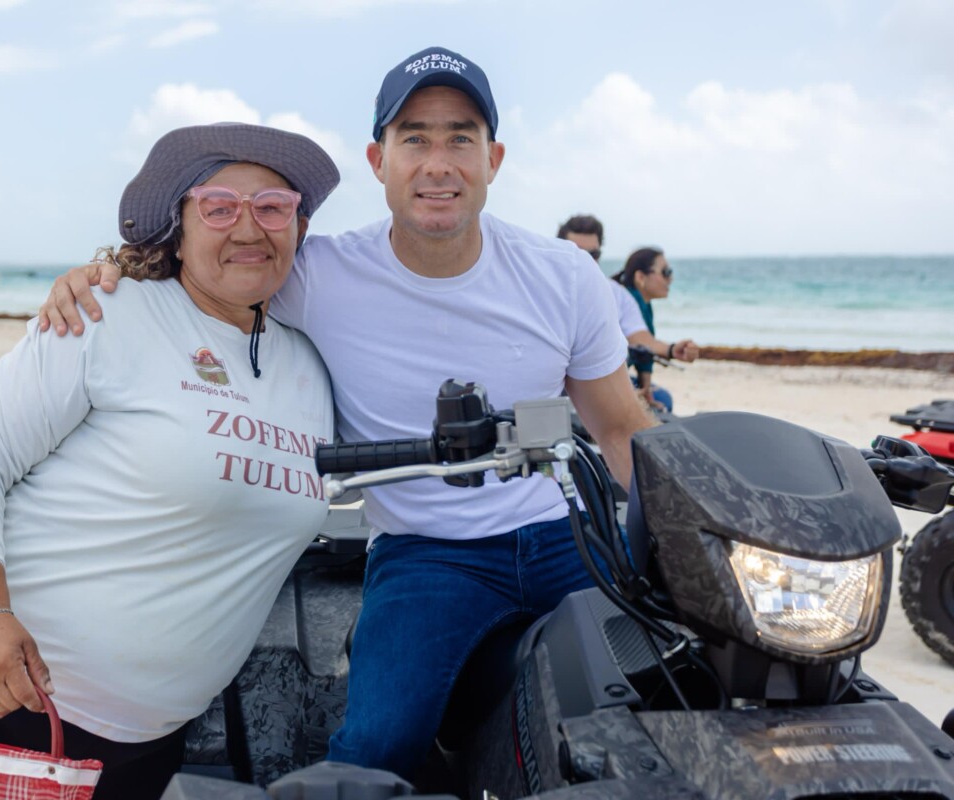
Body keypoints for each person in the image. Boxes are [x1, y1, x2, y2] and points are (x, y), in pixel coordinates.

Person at [38, 46, 654, 781]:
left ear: (493, 158)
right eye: (414, 138)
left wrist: (682, 533)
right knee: (375, 748)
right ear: (378, 159)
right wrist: (102, 273)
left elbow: (619, 427)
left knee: (669, 702)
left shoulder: (562, 274)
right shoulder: (318, 275)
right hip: (428, 552)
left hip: (564, 538)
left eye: (460, 137)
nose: (438, 162)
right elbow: (209, 265)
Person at [0, 123, 340, 799]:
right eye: (218, 207)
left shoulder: (312, 364)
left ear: (298, 230)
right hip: (3, 695)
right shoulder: (108, 312)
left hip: (151, 737)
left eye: (273, 207)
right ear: (177, 229)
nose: (250, 227)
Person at [557, 215, 699, 411]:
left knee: (661, 402)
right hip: (557, 387)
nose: (586, 261)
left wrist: (672, 349)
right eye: (577, 253)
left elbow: (640, 339)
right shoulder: (542, 294)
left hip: (600, 382)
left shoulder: (616, 294)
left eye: (593, 255)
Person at [613, 246, 697, 411]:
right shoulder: (628, 301)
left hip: (619, 376)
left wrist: (646, 388)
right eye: (665, 272)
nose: (670, 279)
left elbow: (644, 354)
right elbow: (641, 342)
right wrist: (672, 350)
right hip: (610, 379)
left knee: (660, 399)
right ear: (640, 277)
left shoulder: (644, 304)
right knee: (664, 400)